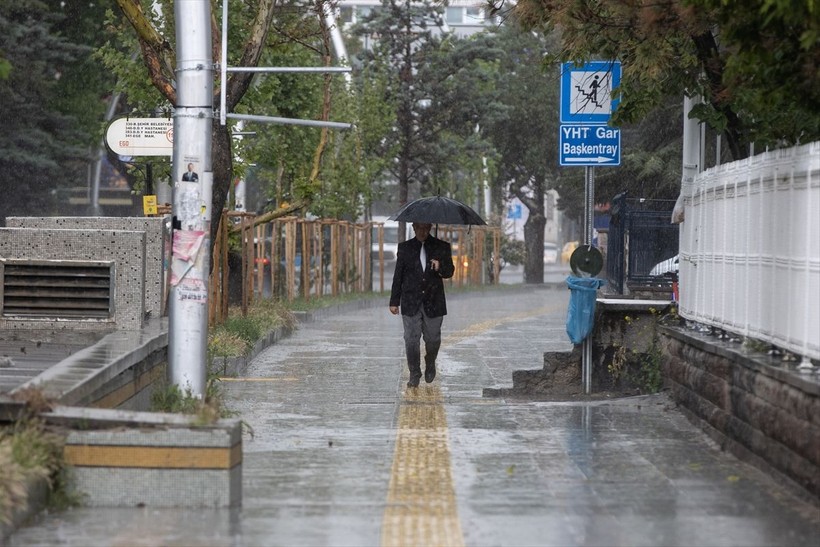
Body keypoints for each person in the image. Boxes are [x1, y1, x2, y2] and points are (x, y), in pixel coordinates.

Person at [389, 222, 455, 388]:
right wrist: (394, 301)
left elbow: (450, 272)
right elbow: (398, 275)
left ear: (430, 228)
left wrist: (440, 267)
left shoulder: (442, 247)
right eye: (419, 228)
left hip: (434, 300)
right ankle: (414, 372)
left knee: (433, 338)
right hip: (411, 300)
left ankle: (430, 361)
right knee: (411, 339)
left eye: (426, 228)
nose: (423, 231)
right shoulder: (405, 248)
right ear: (414, 228)